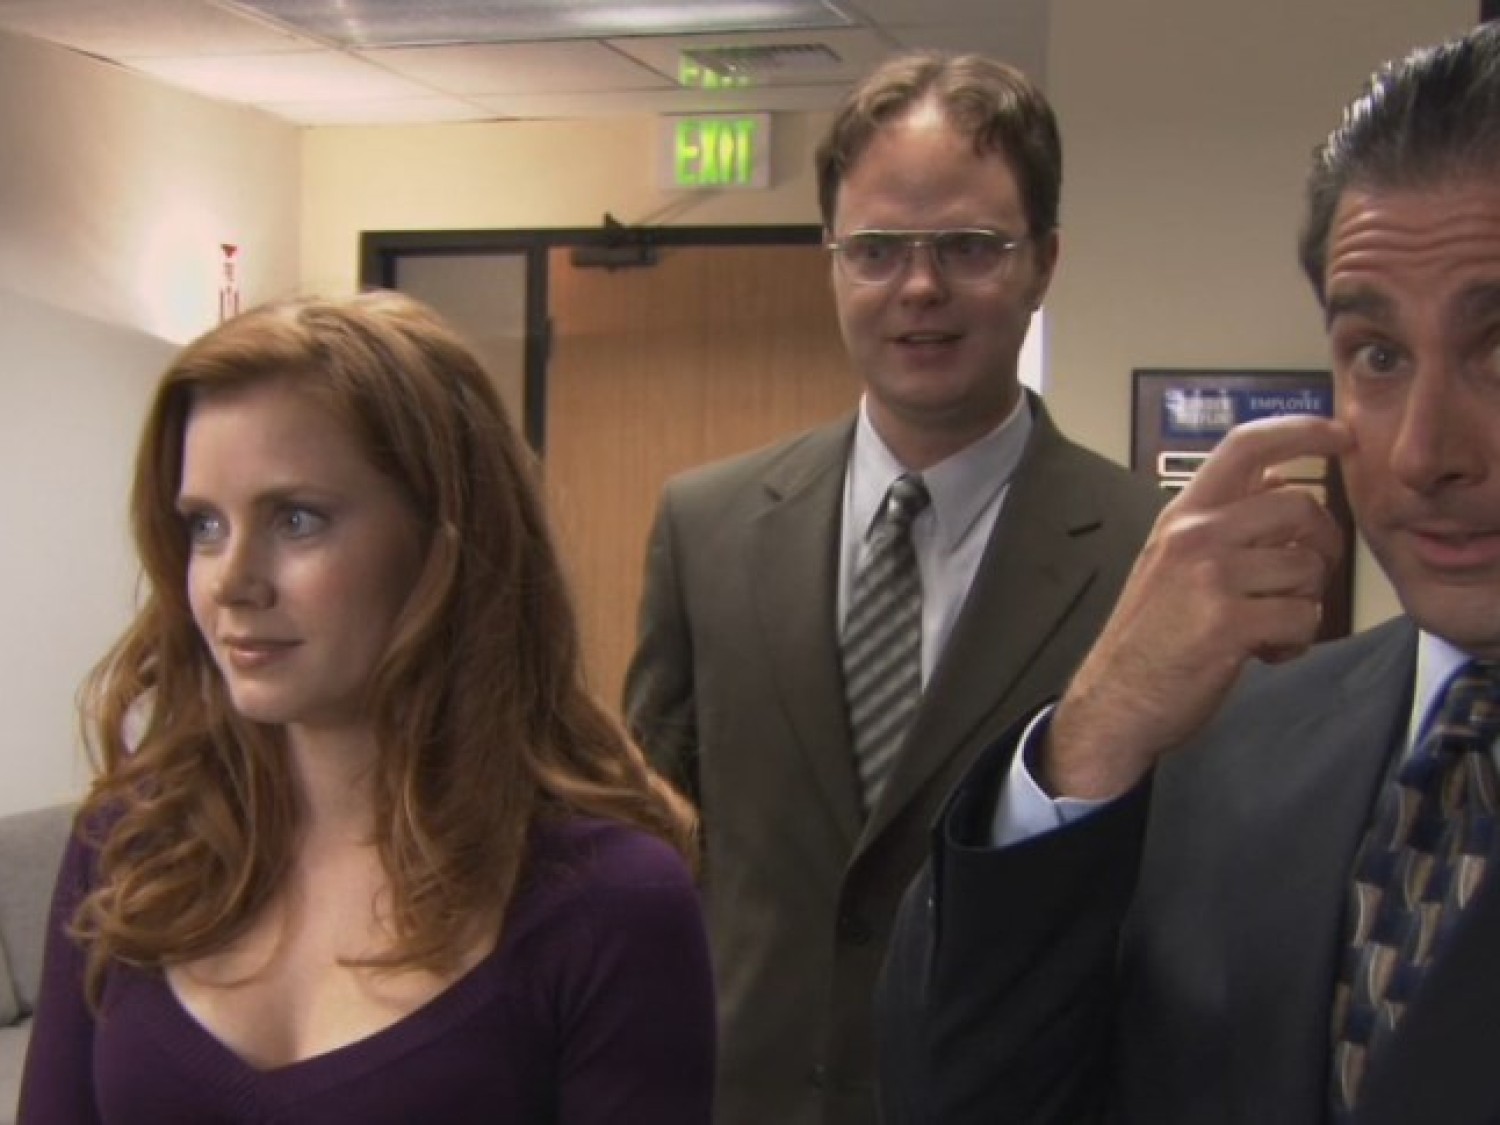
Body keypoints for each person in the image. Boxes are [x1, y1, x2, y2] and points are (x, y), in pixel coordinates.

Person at [878, 21, 1500, 1125]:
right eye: (1378, 356)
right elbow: (964, 1095)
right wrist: (1095, 729)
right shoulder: (1231, 748)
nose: (1423, 452)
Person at [18, 291, 715, 1124]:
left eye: (296, 518)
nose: (231, 582)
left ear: (446, 539)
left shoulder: (609, 902)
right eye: (204, 525)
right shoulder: (129, 847)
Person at [624, 50, 1163, 1125]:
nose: (920, 288)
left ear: (1044, 262)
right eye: (876, 250)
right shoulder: (705, 527)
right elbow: (651, 841)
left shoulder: (1142, 553)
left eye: (969, 247)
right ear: (831, 262)